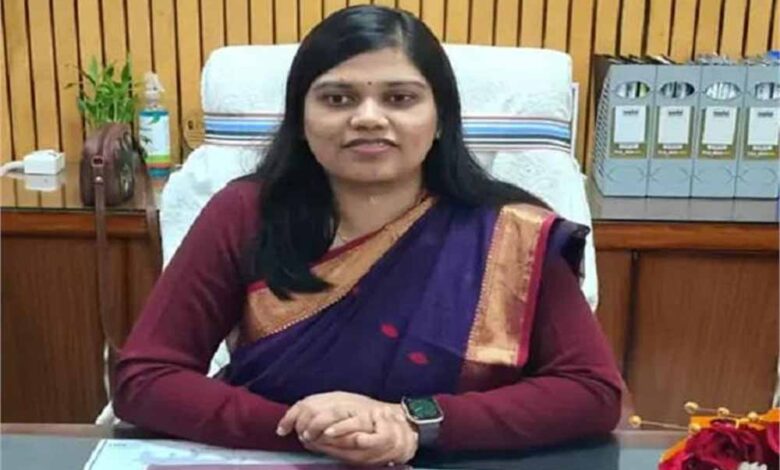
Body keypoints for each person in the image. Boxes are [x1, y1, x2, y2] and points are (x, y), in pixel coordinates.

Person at [114, 5, 622, 467]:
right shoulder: (246, 213)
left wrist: (412, 422)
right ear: (301, 119)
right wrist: (314, 432)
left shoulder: (511, 231)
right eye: (338, 98)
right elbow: (144, 379)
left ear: (441, 119)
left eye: (400, 98)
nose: (369, 118)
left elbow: (592, 391)